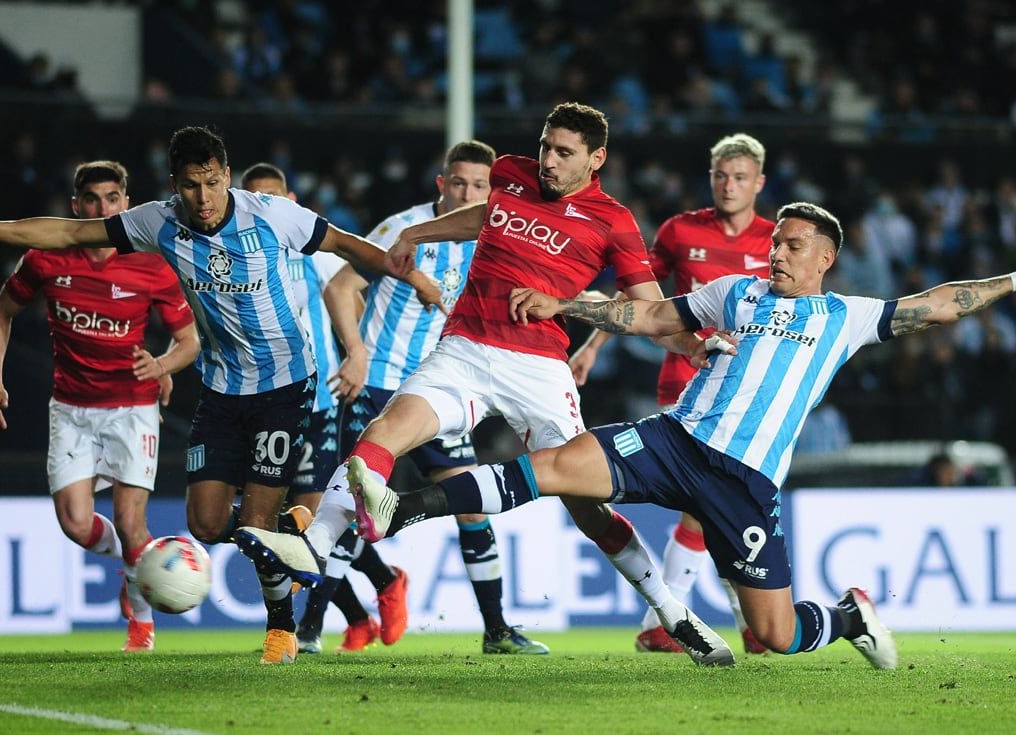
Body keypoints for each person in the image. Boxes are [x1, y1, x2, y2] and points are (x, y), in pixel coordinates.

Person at [348, 202, 1016, 669]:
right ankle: (403, 509)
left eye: (793, 247)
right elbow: (655, 320)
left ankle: (848, 617)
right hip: (674, 439)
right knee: (554, 464)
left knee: (776, 635)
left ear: (824, 261)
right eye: (776, 241)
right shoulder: (738, 292)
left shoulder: (847, 314)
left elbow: (939, 305)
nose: (776, 254)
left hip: (743, 484)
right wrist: (572, 304)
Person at [236, 103, 711, 658]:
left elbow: (651, 312)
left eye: (564, 153)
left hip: (539, 368)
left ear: (596, 158)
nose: (549, 162)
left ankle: (672, 612)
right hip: (463, 349)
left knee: (587, 507)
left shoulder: (613, 221)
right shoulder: (512, 174)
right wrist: (419, 231)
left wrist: (683, 342)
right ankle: (313, 550)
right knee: (383, 435)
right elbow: (487, 215)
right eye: (545, 146)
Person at [0, 126, 441, 665]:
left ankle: (280, 632)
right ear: (175, 184)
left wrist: (417, 280)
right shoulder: (158, 221)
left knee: (255, 520)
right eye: (192, 186)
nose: (204, 198)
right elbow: (70, 234)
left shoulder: (270, 214)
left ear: (227, 176)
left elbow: (349, 247)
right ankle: (295, 531)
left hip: (285, 382)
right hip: (220, 387)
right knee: (207, 524)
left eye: (212, 183)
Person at [321, 140, 548, 654]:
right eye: (460, 183)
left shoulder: (494, 239)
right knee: (352, 503)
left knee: (472, 508)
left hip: (439, 390)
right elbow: (340, 287)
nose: (469, 193)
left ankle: (497, 631)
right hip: (377, 384)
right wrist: (354, 351)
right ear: (442, 184)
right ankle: (309, 630)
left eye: (480, 186)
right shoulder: (403, 228)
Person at [0, 160, 200, 652]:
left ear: (126, 203)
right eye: (93, 200)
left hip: (133, 407)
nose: (104, 209)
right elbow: (1, 314)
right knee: (76, 524)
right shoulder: (45, 259)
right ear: (76, 206)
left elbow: (188, 342)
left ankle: (141, 627)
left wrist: (163, 366)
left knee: (129, 521)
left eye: (113, 199)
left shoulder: (152, 263)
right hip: (72, 408)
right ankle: (137, 564)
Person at [572, 132, 773, 655]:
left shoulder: (779, 243)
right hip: (685, 386)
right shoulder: (681, 231)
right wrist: (592, 346)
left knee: (720, 508)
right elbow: (636, 296)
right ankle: (671, 622)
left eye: (740, 177)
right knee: (706, 504)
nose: (729, 186)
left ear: (759, 183)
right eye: (721, 176)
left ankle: (733, 621)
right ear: (711, 178)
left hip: (746, 396)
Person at [240, 162, 409, 655]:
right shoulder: (238, 259)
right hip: (254, 403)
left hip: (316, 401)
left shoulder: (314, 252)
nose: (268, 210)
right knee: (275, 525)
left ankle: (308, 628)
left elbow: (352, 306)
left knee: (314, 525)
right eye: (256, 200)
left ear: (292, 199)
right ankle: (368, 602)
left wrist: (355, 356)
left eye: (276, 199)